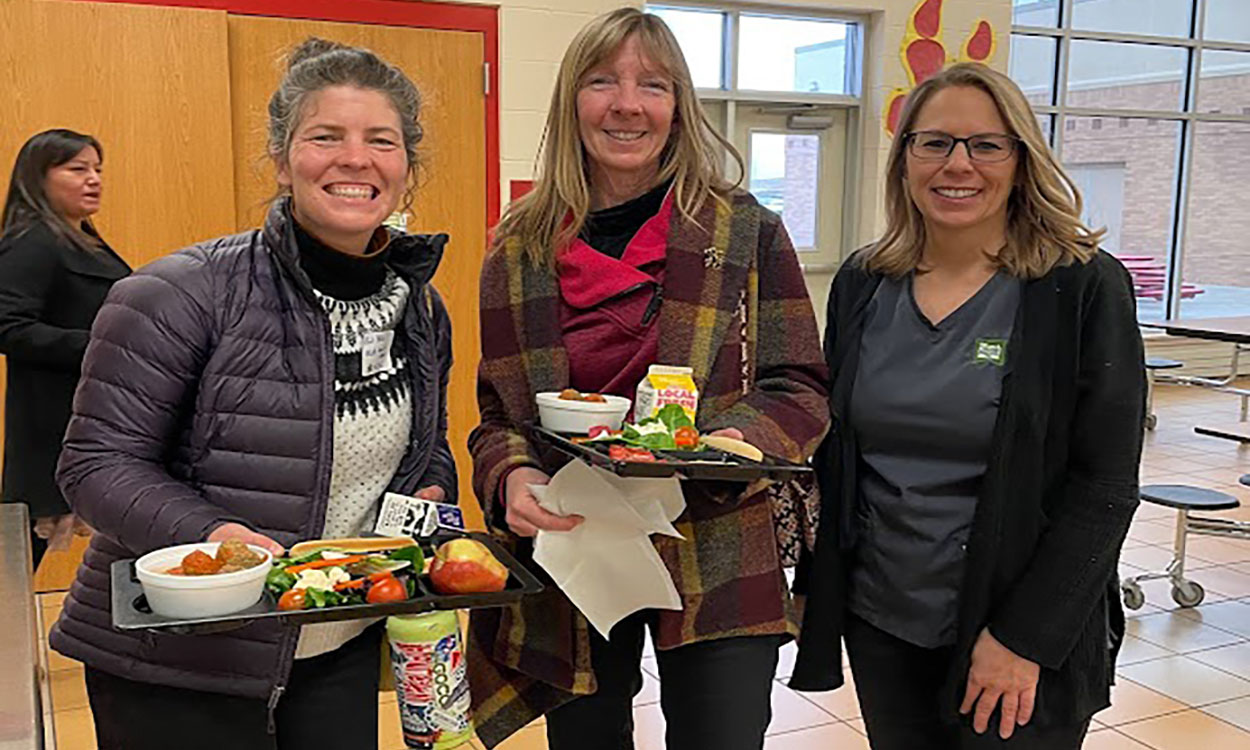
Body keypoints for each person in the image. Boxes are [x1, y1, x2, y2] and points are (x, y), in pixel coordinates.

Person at [48, 38, 456, 750]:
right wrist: (215, 541)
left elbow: (426, 448)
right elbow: (95, 467)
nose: (355, 159)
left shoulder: (419, 308)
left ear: (407, 168)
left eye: (380, 140)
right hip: (181, 657)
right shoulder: (178, 292)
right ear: (281, 157)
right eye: (325, 136)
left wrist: (427, 491)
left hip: (336, 641)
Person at [466, 8, 829, 750]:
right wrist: (509, 478)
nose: (627, 103)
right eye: (603, 81)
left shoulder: (743, 230)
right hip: (574, 543)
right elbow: (498, 416)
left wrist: (733, 440)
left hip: (717, 534)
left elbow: (798, 384)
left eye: (652, 84)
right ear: (573, 100)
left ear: (677, 107)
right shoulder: (519, 246)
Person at [789, 63, 1145, 749]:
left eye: (986, 144)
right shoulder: (865, 282)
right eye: (935, 143)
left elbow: (1104, 486)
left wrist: (1025, 638)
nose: (959, 165)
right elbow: (840, 459)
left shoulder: (1079, 286)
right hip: (884, 616)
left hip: (1016, 623)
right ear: (905, 159)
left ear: (1020, 159)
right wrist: (819, 582)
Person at [0, 129, 130, 569]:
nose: (94, 179)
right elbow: (9, 327)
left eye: (97, 169)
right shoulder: (32, 241)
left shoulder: (82, 237)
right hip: (55, 420)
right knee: (19, 555)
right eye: (77, 169)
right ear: (38, 177)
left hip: (99, 412)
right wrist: (100, 346)